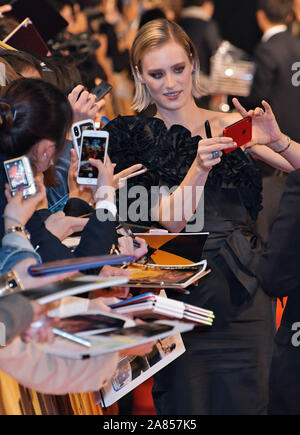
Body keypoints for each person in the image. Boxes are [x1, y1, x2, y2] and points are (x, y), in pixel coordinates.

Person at [102, 18, 300, 415]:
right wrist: (199, 167)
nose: (171, 83)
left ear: (193, 62)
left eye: (178, 69)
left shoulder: (229, 126)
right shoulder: (129, 138)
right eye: (157, 74)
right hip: (177, 302)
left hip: (244, 299)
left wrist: (279, 141)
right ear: (139, 75)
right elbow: (171, 222)